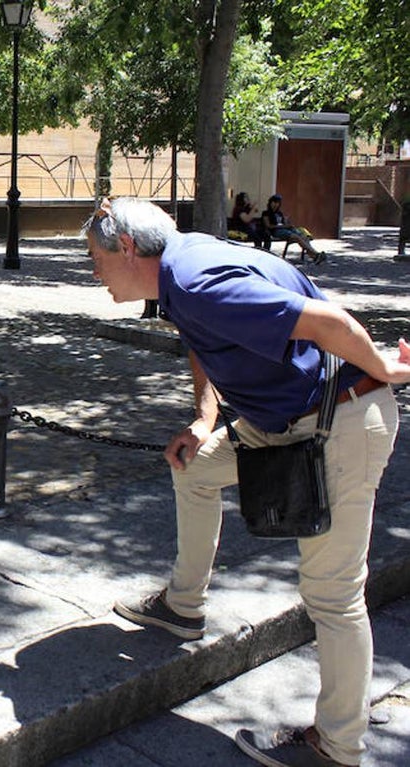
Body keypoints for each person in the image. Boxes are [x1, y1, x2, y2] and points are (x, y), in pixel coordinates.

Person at [84, 197, 408, 767]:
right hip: (282, 420)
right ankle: (183, 608)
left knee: (333, 595)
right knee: (196, 468)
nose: (94, 274)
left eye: (96, 260)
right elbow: (202, 342)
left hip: (340, 419)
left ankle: (338, 748)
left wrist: (385, 368)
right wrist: (205, 419)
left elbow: (327, 323)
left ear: (128, 249)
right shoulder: (177, 276)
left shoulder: (198, 281)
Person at [262, 194, 325, 264]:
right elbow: (268, 226)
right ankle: (316, 254)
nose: (275, 205)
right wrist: (283, 226)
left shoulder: (279, 213)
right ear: (270, 203)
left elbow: (284, 223)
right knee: (296, 237)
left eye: (277, 203)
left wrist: (287, 223)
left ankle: (314, 256)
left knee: (304, 236)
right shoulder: (266, 213)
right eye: (274, 202)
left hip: (286, 229)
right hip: (276, 231)